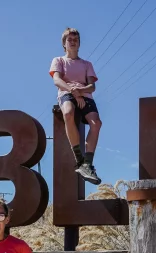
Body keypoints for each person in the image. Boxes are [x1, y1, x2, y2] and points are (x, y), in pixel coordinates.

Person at [50, 27, 103, 186]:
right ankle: (79, 159)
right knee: (68, 112)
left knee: (96, 123)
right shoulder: (58, 60)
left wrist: (80, 91)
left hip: (85, 95)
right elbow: (57, 80)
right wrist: (73, 91)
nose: (72, 42)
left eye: (75, 40)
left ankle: (88, 163)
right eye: (69, 40)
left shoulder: (87, 64)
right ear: (64, 44)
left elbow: (92, 86)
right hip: (66, 93)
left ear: (79, 44)